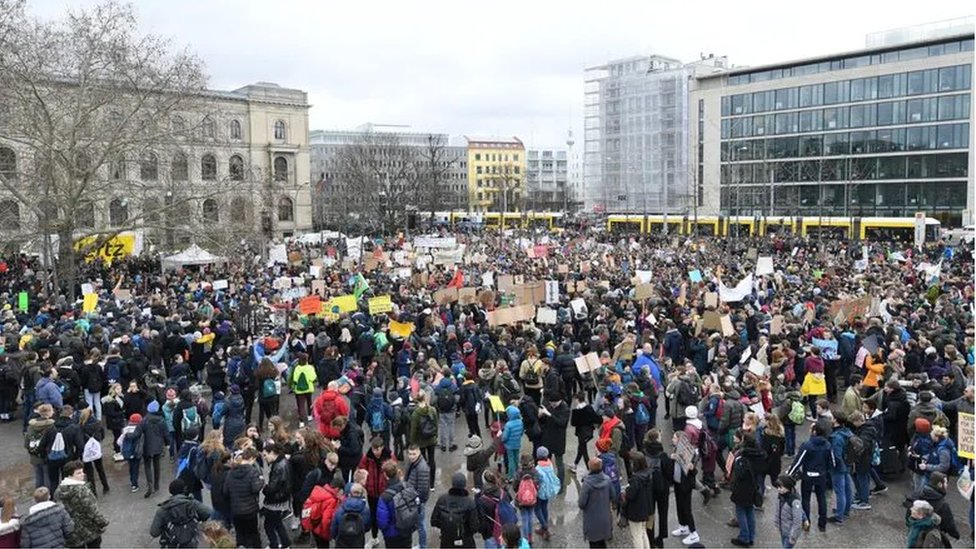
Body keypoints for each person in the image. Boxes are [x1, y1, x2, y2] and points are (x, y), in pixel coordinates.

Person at [787, 423, 834, 532]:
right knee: (821, 498)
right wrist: (826, 471)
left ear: (814, 432)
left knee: (806, 499)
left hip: (808, 476)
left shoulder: (807, 445)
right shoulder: (827, 445)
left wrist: (790, 473)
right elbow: (832, 462)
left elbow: (798, 461)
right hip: (821, 476)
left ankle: (806, 522)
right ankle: (822, 524)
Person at [53, 460, 108, 548]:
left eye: (82, 472)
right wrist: (102, 522)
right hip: (89, 529)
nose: (83, 474)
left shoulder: (58, 491)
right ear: (70, 475)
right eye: (78, 473)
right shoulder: (82, 490)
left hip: (72, 532)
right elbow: (92, 510)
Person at [149, 479, 213, 549]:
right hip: (190, 544)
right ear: (184, 490)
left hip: (170, 544)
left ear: (171, 492)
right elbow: (209, 513)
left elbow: (154, 533)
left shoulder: (163, 510)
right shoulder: (193, 504)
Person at [222, 447, 264, 548]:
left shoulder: (230, 473)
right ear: (251, 459)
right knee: (253, 533)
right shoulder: (252, 471)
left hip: (236, 510)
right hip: (250, 510)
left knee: (240, 534)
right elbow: (255, 488)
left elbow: (225, 492)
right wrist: (261, 480)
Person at [904, 472, 960, 542]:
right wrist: (956, 535)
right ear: (940, 484)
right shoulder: (943, 505)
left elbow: (908, 512)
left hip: (915, 533)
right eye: (945, 483)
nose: (947, 485)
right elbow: (949, 524)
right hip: (931, 537)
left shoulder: (917, 494)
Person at [729, 432, 762, 547]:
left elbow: (739, 474)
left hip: (742, 488)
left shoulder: (743, 457)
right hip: (753, 486)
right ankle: (751, 536)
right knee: (750, 511)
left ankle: (744, 537)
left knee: (741, 511)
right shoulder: (758, 455)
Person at [430, 472, 479, 548]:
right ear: (464, 485)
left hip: (446, 541)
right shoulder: (470, 502)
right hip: (465, 542)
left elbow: (434, 521)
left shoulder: (442, 499)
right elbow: (474, 527)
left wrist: (447, 526)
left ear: (452, 483)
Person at [377, 461, 418, 549]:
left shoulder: (384, 497)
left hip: (392, 534)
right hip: (407, 529)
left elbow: (382, 522)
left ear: (385, 475)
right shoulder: (407, 486)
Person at [670, 430, 700, 545]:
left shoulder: (691, 453)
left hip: (685, 485)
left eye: (674, 438)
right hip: (677, 482)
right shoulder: (675, 449)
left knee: (686, 508)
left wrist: (692, 467)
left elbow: (694, 470)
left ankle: (693, 533)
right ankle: (683, 526)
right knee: (679, 506)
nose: (672, 439)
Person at [261, 440, 293, 549]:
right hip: (281, 499)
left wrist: (264, 487)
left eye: (265, 455)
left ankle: (275, 545)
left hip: (275, 500)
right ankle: (285, 544)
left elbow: (272, 489)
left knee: (269, 525)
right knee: (277, 523)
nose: (264, 458)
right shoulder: (282, 462)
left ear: (272, 453)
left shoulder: (278, 467)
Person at [622, 451, 654, 549]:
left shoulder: (636, 478)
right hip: (646, 509)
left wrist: (626, 490)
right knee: (643, 532)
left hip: (636, 511)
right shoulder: (648, 474)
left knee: (636, 536)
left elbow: (630, 495)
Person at [579, 457, 613, 548]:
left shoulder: (587, 484)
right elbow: (613, 496)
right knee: (602, 543)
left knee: (594, 544)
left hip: (592, 520)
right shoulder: (607, 479)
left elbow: (582, 503)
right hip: (605, 518)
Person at [138, 400, 169, 498]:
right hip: (158, 446)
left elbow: (138, 432)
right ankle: (156, 485)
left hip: (147, 446)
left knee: (147, 466)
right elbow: (166, 434)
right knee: (157, 465)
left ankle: (150, 483)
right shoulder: (161, 420)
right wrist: (167, 444)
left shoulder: (144, 420)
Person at [409, 392, 438, 491]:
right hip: (431, 439)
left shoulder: (416, 413)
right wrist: (436, 436)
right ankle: (432, 485)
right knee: (432, 460)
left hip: (420, 440)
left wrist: (412, 443)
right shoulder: (432, 410)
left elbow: (413, 429)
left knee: (423, 461)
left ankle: (424, 482)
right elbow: (436, 424)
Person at [405, 445, 431, 547]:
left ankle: (422, 546)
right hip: (412, 498)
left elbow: (423, 489)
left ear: (419, 453)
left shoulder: (422, 468)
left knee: (421, 525)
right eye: (410, 454)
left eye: (414, 454)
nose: (411, 456)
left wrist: (419, 502)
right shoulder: (413, 463)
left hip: (417, 501)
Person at [331, 482, 372, 548]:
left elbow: (334, 527)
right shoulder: (365, 510)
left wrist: (335, 537)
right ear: (361, 494)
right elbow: (367, 527)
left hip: (342, 541)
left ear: (349, 494)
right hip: (358, 541)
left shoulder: (341, 509)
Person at [25, 403, 56, 490]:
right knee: (48, 478)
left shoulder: (31, 426)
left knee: (38, 477)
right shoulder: (51, 427)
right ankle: (47, 496)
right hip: (46, 456)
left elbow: (26, 443)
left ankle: (39, 495)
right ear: (49, 413)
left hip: (34, 455)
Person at [773, 475, 803, 549]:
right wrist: (777, 524)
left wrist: (793, 536)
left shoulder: (794, 501)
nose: (778, 489)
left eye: (781, 487)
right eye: (778, 487)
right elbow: (777, 511)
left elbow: (797, 521)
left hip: (790, 533)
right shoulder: (780, 496)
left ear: (788, 487)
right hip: (783, 530)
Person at [501, 405, 524, 481]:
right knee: (516, 459)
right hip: (517, 443)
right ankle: (518, 474)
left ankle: (511, 476)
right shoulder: (520, 422)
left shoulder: (508, 425)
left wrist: (502, 440)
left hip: (509, 445)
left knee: (511, 460)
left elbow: (505, 437)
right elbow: (521, 433)